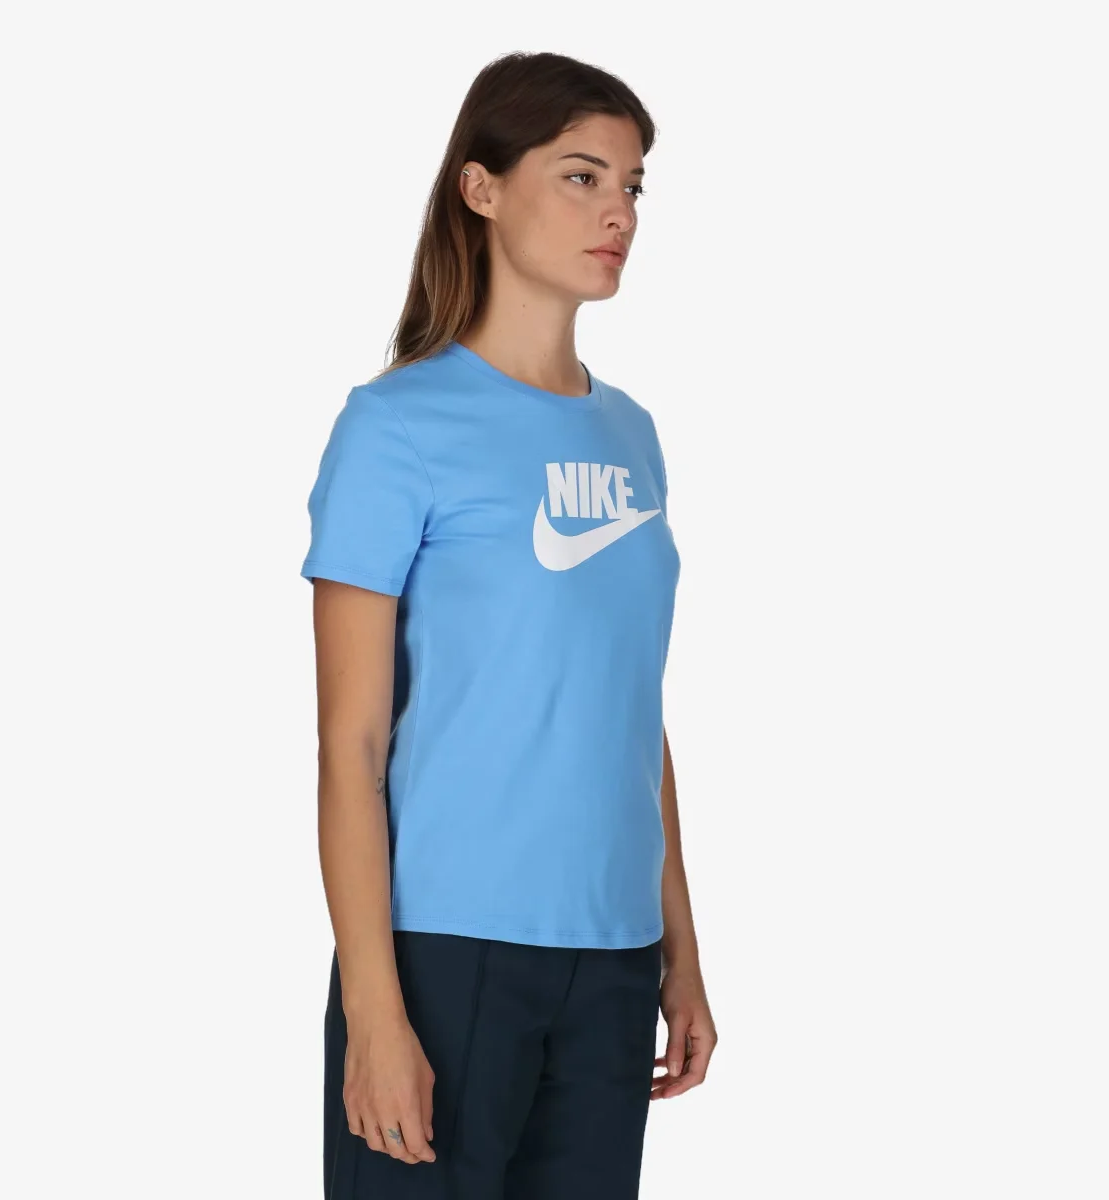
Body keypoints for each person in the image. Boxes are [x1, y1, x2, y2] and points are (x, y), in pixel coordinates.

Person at [301, 51, 717, 1200]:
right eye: (582, 177)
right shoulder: (395, 426)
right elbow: (350, 745)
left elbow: (632, 714)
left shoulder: (633, 437)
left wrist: (680, 952)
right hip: (447, 954)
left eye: (632, 186)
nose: (619, 213)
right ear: (481, 188)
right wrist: (375, 1014)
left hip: (614, 961)